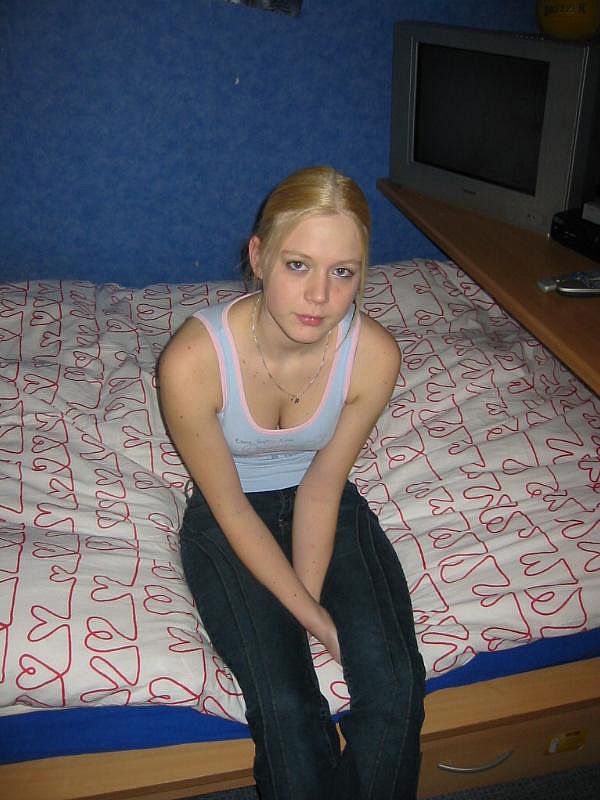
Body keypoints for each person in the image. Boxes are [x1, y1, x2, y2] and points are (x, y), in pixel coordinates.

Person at [158, 165, 425, 800]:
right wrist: (314, 620)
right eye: (298, 265)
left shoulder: (374, 355)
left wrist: (306, 602)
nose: (320, 296)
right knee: (287, 708)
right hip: (228, 516)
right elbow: (229, 506)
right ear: (258, 257)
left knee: (395, 685)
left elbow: (324, 485)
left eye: (344, 272)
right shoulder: (191, 361)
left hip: (325, 503)